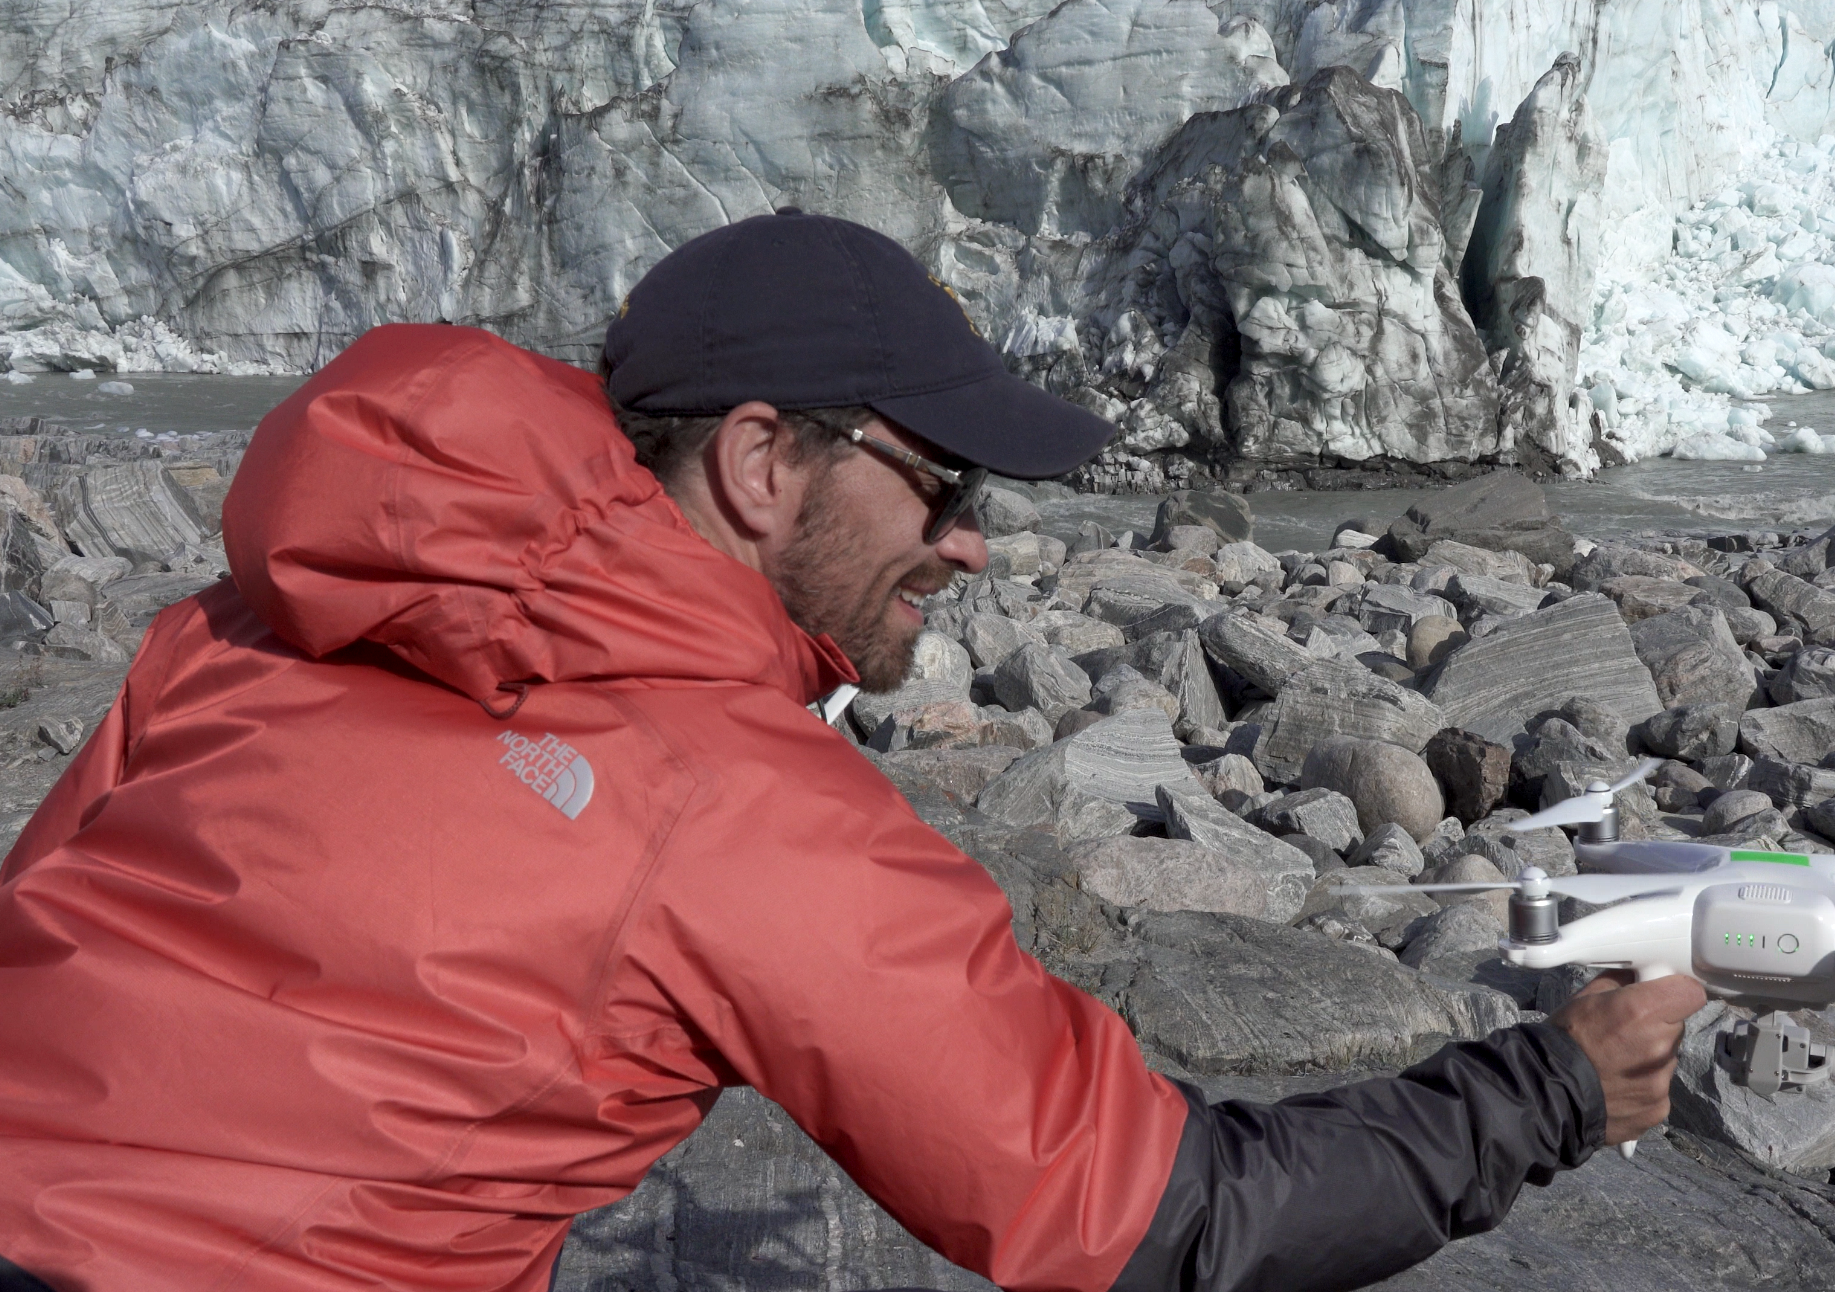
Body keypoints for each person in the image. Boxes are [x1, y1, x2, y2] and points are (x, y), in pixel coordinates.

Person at [0, 210, 1706, 1292]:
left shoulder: (239, 622)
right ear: (760, 464)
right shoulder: (749, 814)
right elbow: (1154, 1221)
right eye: (941, 487)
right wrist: (1554, 1088)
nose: (971, 543)